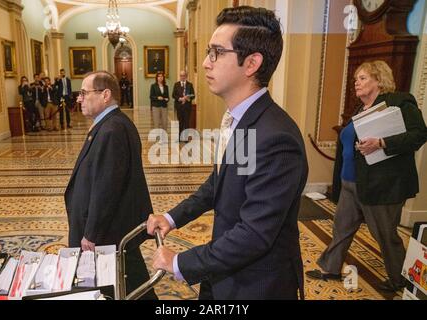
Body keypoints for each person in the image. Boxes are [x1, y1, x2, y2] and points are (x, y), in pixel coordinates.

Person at [147, 6, 308, 300]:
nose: (206, 63)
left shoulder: (277, 138)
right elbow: (217, 185)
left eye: (217, 52)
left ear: (251, 64)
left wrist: (181, 262)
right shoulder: (242, 119)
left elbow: (255, 234)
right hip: (223, 270)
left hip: (257, 285)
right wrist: (171, 218)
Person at [306, 60, 427, 292]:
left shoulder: (399, 103)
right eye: (355, 80)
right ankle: (330, 268)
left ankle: (399, 278)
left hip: (382, 185)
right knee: (342, 228)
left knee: (384, 234)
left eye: (362, 78)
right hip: (351, 182)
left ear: (379, 80)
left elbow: (419, 134)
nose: (356, 83)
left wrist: (382, 143)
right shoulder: (358, 110)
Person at [65, 71, 157, 299]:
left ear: (105, 95)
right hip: (113, 227)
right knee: (128, 281)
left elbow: (106, 188)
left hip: (110, 231)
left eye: (84, 93)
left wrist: (91, 233)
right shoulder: (109, 124)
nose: (79, 98)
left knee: (129, 284)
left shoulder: (112, 129)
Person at [172, 71, 195, 142]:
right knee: (180, 122)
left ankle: (185, 138)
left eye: (184, 75)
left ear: (186, 76)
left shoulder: (190, 85)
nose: (182, 77)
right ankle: (179, 137)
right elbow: (173, 95)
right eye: (181, 75)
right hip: (179, 107)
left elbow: (193, 95)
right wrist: (180, 98)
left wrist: (188, 98)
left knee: (186, 122)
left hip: (187, 107)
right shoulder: (176, 84)